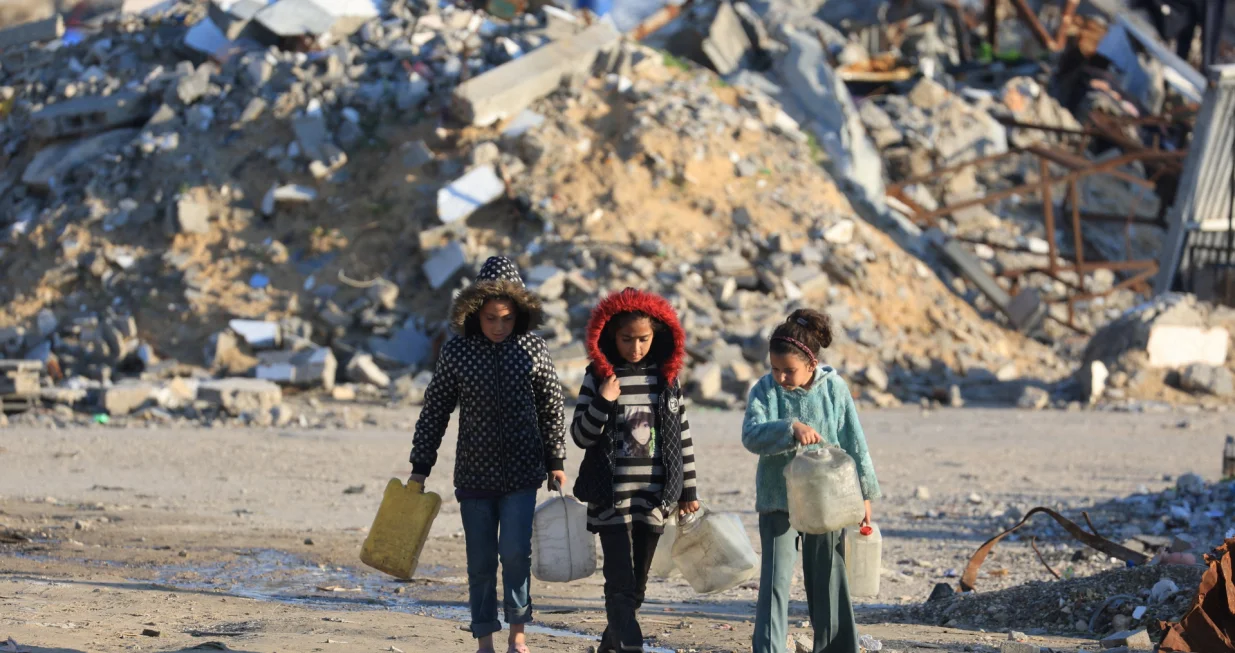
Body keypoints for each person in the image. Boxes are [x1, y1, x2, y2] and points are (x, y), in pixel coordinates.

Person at [409, 256, 567, 653]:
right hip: (474, 476)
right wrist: (420, 467)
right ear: (475, 313)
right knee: (480, 563)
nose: (499, 326)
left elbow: (551, 405)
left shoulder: (532, 348)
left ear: (520, 315)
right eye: (491, 318)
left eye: (507, 318)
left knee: (515, 553)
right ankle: (484, 641)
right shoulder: (458, 351)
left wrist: (556, 461)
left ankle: (518, 636)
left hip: (522, 472)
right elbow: (435, 410)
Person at [741, 309, 881, 653]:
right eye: (775, 369)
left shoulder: (834, 389)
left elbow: (854, 442)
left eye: (789, 371)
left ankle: (836, 647)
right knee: (775, 581)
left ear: (811, 362)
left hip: (828, 502)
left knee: (829, 578)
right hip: (778, 499)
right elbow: (751, 436)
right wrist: (789, 429)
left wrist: (865, 494)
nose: (781, 377)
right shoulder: (765, 390)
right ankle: (769, 648)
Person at [571, 288, 700, 653]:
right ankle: (631, 640)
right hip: (609, 496)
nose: (636, 348)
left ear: (657, 335)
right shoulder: (598, 377)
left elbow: (682, 437)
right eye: (627, 339)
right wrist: (603, 400)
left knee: (637, 584)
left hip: (654, 497)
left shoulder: (665, 380)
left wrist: (688, 490)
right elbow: (581, 435)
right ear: (610, 336)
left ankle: (611, 642)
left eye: (643, 339)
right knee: (619, 577)